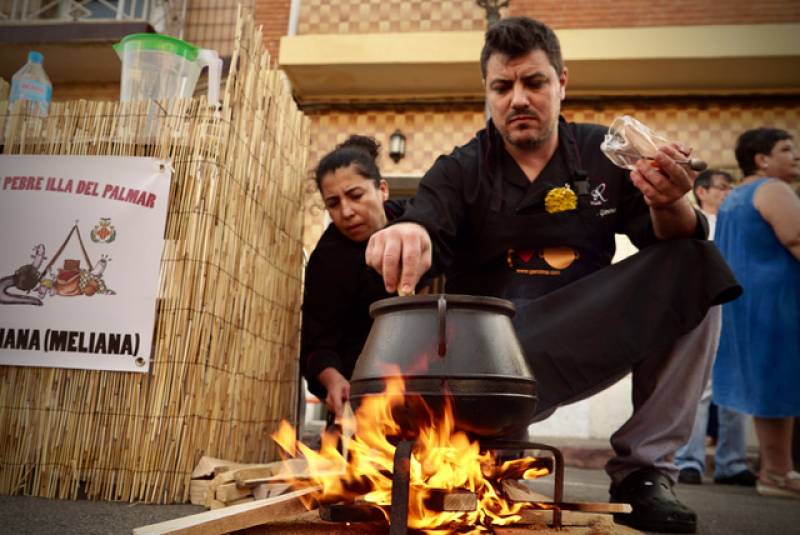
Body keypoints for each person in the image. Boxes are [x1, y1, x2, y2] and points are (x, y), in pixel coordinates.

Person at [365, 17, 741, 533]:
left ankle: (644, 474)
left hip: (585, 328)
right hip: (494, 359)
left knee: (697, 266)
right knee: (468, 492)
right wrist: (407, 234)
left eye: (534, 82)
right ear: (488, 93)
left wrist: (671, 198)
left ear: (562, 82)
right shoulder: (459, 169)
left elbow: (673, 235)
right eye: (503, 86)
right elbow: (426, 222)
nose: (518, 98)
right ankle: (481, 456)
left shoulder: (604, 154)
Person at [300, 135, 415, 422]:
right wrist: (332, 379)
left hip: (431, 395)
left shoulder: (416, 221)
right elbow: (317, 346)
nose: (346, 212)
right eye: (333, 204)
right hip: (360, 406)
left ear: (383, 190)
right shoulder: (327, 260)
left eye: (355, 195)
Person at [712, 127, 800, 499]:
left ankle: (775, 471)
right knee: (780, 384)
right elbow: (796, 239)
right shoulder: (773, 189)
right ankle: (778, 473)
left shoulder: (732, 199)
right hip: (777, 303)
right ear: (762, 159)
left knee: (769, 389)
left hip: (743, 304)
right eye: (786, 149)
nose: (795, 156)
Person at [675, 170, 757, 487]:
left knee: (736, 388)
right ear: (702, 192)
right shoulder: (694, 224)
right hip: (704, 310)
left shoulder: (742, 225)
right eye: (723, 187)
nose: (729, 193)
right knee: (700, 390)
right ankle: (688, 461)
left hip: (739, 311)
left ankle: (732, 464)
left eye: (732, 187)